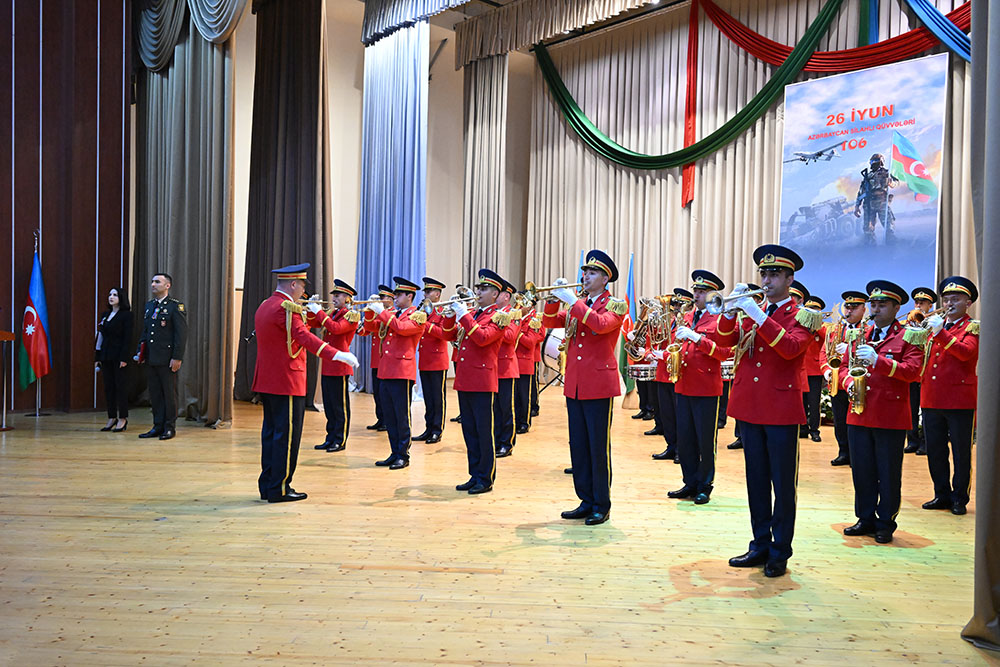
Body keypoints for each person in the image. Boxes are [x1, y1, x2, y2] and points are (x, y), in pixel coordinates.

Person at [710, 244, 817, 578]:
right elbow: (723, 340)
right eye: (764, 274)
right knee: (756, 481)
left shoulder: (803, 315)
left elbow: (790, 348)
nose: (767, 280)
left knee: (782, 485)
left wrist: (756, 314)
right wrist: (729, 311)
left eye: (774, 275)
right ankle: (759, 543)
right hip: (750, 406)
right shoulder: (751, 309)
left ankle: (780, 550)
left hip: (781, 408)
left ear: (789, 278)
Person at [252, 263, 359, 502]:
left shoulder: (265, 305)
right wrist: (337, 354)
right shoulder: (287, 308)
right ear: (293, 284)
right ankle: (280, 488)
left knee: (270, 434)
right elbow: (303, 336)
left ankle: (268, 484)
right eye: (301, 285)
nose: (303, 291)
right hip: (287, 379)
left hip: (268, 380)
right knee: (287, 436)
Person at [544, 250, 626, 526]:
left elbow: (601, 326)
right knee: (578, 445)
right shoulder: (579, 303)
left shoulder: (615, 305)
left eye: (592, 273)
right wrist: (554, 300)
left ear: (605, 278)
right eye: (585, 272)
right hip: (576, 383)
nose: (585, 276)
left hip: (599, 385)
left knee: (597, 446)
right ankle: (585, 499)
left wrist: (573, 303)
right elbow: (549, 322)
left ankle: (601, 504)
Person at [840, 280, 923, 543]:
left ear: (896, 307)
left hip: (890, 415)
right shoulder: (858, 334)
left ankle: (886, 521)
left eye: (881, 305)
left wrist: (880, 361)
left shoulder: (909, 335)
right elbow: (842, 367)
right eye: (872, 304)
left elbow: (913, 372)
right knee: (861, 470)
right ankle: (865, 517)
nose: (875, 309)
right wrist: (849, 381)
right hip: (859, 412)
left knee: (887, 472)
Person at [665, 270, 732, 505]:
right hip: (683, 384)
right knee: (685, 439)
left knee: (705, 440)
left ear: (712, 294)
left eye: (702, 291)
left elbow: (724, 352)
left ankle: (705, 485)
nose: (696, 295)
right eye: (695, 290)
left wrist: (697, 338)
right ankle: (689, 481)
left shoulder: (719, 319)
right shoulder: (688, 315)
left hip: (706, 387)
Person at [919, 276, 980, 516]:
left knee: (961, 451)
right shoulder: (933, 324)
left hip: (959, 400)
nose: (949, 303)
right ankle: (941, 494)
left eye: (956, 299)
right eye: (946, 299)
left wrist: (941, 333)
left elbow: (966, 353)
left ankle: (959, 498)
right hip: (932, 397)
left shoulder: (972, 326)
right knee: (935, 450)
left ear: (968, 302)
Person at [445, 269, 508, 494]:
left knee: (484, 431)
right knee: (469, 431)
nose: (478, 292)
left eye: (484, 289)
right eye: (478, 288)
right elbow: (448, 335)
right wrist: (451, 315)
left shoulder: (499, 316)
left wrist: (463, 314)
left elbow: (482, 338)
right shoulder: (473, 313)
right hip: (465, 378)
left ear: (495, 294)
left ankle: (486, 477)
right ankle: (474, 474)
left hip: (482, 379)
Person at [368, 277, 426, 470]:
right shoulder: (393, 314)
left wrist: (382, 312)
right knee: (390, 415)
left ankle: (403, 454)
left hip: (402, 371)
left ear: (410, 296)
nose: (396, 297)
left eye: (400, 294)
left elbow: (402, 329)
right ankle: (394, 452)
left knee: (401, 416)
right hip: (386, 370)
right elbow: (370, 328)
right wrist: (371, 311)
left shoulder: (417, 315)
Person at [134, 273, 187, 441]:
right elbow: (145, 332)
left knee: (169, 394)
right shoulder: (149, 306)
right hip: (151, 358)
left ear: (167, 286)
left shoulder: (175, 307)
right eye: (152, 281)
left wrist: (177, 357)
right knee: (155, 394)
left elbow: (181, 335)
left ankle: (169, 427)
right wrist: (139, 351)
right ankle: (157, 426)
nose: (153, 284)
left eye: (157, 282)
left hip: (167, 358)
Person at [307, 279, 359, 452]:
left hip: (341, 366)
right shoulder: (333, 313)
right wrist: (311, 308)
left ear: (348, 298)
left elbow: (336, 329)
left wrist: (319, 313)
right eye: (334, 295)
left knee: (339, 406)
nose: (334, 298)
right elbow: (314, 323)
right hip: (329, 364)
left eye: (338, 295)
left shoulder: (351, 315)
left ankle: (340, 439)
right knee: (329, 405)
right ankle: (330, 437)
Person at [824, 290, 868, 466]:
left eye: (854, 308)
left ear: (864, 310)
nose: (849, 311)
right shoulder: (836, 329)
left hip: (856, 382)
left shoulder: (867, 329)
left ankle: (857, 455)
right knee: (840, 421)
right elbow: (824, 351)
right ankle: (843, 451)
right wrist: (826, 369)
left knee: (856, 422)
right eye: (847, 308)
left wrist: (851, 348)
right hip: (837, 382)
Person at [650, 287, 691, 461]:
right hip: (662, 372)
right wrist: (652, 325)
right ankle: (671, 446)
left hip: (678, 373)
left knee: (679, 415)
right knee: (666, 414)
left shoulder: (689, 323)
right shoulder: (670, 322)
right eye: (674, 304)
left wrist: (664, 355)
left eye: (679, 305)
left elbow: (684, 347)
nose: (675, 308)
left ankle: (682, 450)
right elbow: (658, 338)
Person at [724, 284, 764, 450]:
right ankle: (739, 436)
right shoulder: (741, 319)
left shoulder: (761, 316)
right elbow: (724, 338)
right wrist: (728, 313)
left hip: (761, 374)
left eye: (753, 299)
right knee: (741, 406)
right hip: (742, 368)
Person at [414, 277, 450, 444]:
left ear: (437, 294)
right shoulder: (423, 310)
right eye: (425, 292)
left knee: (437, 397)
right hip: (425, 359)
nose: (426, 295)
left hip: (437, 360)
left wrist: (425, 324)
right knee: (428, 397)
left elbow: (444, 333)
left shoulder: (444, 311)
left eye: (429, 292)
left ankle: (437, 430)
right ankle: (428, 428)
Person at [903, 286, 937, 454]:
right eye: (916, 302)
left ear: (930, 306)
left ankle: (925, 442)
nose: (918, 305)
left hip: (928, 372)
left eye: (922, 303)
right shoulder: (907, 322)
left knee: (926, 411)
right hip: (912, 373)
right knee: (910, 408)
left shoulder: (936, 322)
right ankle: (912, 440)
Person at [95, 287, 133, 432]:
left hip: (119, 356)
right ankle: (112, 417)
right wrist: (97, 356)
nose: (111, 297)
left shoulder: (127, 316)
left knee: (120, 388)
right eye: (110, 294)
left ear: (121, 298)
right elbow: (100, 336)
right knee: (108, 387)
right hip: (105, 355)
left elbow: (127, 338)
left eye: (115, 295)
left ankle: (123, 418)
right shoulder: (105, 314)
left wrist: (124, 358)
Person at [358, 285, 394, 432]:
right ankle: (381, 418)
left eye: (383, 298)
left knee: (386, 394)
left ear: (391, 300)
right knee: (377, 393)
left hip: (387, 359)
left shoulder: (392, 314)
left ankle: (387, 420)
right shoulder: (377, 314)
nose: (380, 300)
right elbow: (363, 332)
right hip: (376, 359)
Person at [494, 280, 521, 458]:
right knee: (492, 408)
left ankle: (506, 443)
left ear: (506, 296)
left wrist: (493, 327)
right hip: (489, 367)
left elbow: (511, 337)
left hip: (505, 366)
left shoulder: (513, 313)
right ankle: (495, 440)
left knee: (505, 408)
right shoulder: (488, 313)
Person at [514, 299, 545, 434]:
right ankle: (515, 420)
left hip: (526, 359)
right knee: (514, 395)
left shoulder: (535, 319)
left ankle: (524, 422)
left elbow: (535, 339)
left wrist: (517, 333)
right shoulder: (516, 318)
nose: (520, 305)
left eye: (524, 302)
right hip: (513, 360)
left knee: (524, 394)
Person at [854, 153, 898, 246]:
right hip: (869, 205)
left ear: (881, 162)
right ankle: (871, 251)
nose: (873, 163)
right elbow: (861, 192)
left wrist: (891, 182)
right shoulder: (867, 176)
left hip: (882, 202)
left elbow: (896, 182)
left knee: (889, 226)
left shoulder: (887, 173)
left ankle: (892, 248)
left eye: (875, 161)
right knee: (867, 229)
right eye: (872, 162)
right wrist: (857, 206)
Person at [801, 295, 827, 443]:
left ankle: (814, 430)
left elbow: (826, 339)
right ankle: (803, 428)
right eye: (809, 309)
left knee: (814, 401)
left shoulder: (823, 327)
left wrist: (816, 326)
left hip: (815, 370)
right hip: (802, 369)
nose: (811, 312)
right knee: (802, 401)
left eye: (815, 310)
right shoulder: (801, 325)